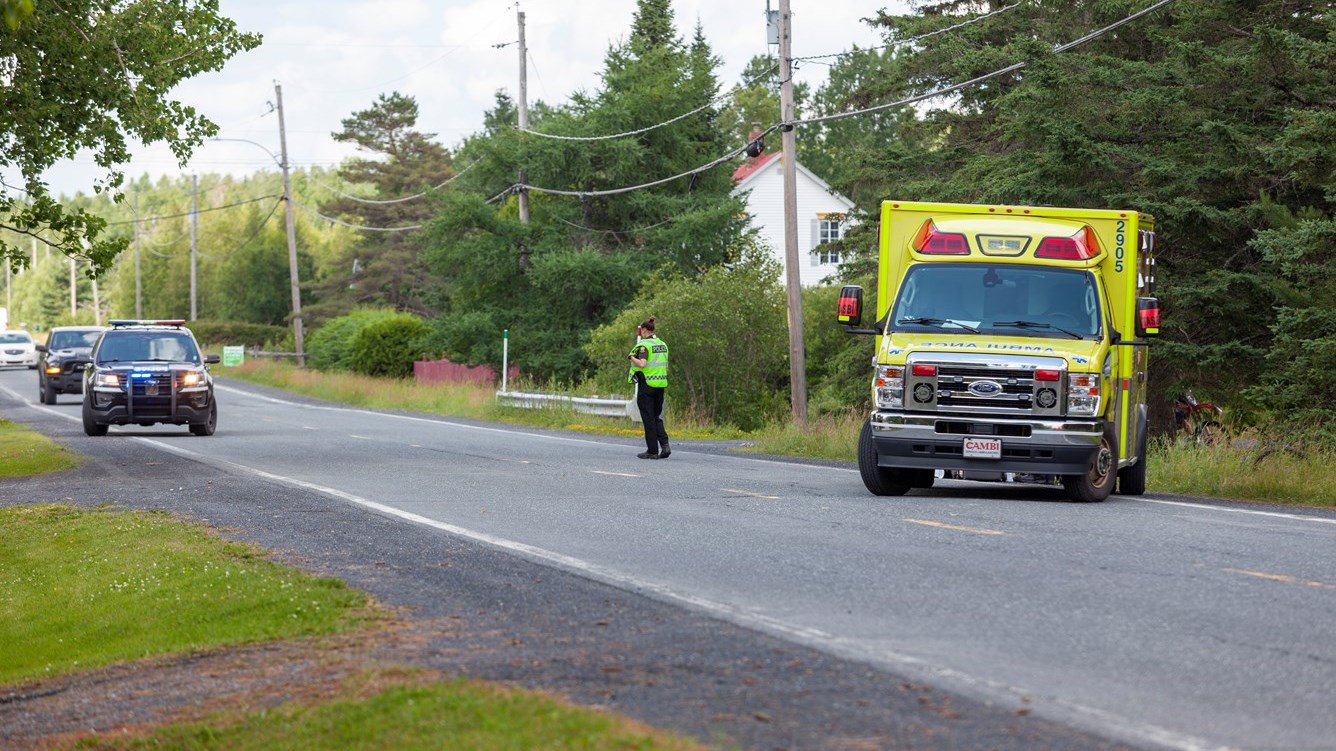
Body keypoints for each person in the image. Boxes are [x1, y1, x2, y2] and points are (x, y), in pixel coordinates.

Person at [627, 317, 670, 459]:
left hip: (647, 386)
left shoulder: (644, 346)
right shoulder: (662, 345)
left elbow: (642, 364)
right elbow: (666, 366)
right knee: (656, 416)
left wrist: (631, 357)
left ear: (644, 331)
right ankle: (665, 446)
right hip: (660, 385)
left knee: (648, 418)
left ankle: (652, 451)